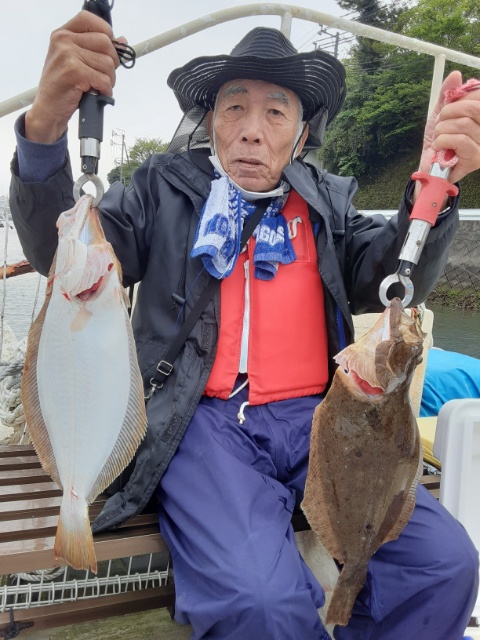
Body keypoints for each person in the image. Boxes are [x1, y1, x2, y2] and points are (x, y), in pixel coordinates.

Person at [9, 10, 480, 640]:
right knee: (258, 603)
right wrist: (44, 130)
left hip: (322, 422)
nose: (252, 130)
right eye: (234, 107)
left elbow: (391, 273)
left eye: (276, 112)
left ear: (302, 132)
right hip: (205, 426)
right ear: (210, 121)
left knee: (443, 564)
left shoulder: (328, 200)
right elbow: (57, 252)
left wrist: (435, 190)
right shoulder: (158, 190)